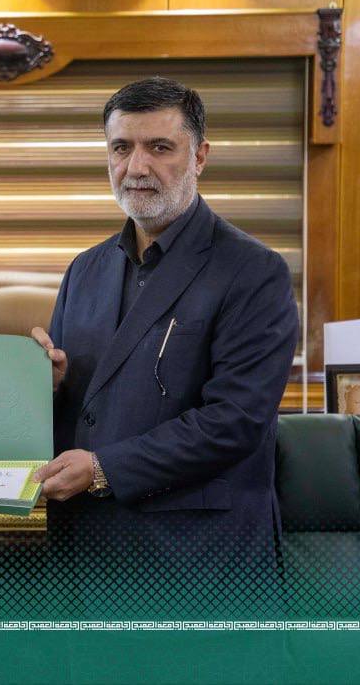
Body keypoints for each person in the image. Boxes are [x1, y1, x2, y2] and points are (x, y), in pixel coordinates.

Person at [30, 76, 299, 620]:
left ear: (199, 156)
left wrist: (103, 467)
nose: (136, 167)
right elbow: (88, 407)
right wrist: (47, 386)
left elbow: (236, 420)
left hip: (198, 568)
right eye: (121, 148)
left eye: (159, 147)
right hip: (84, 564)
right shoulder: (85, 270)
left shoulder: (253, 271)